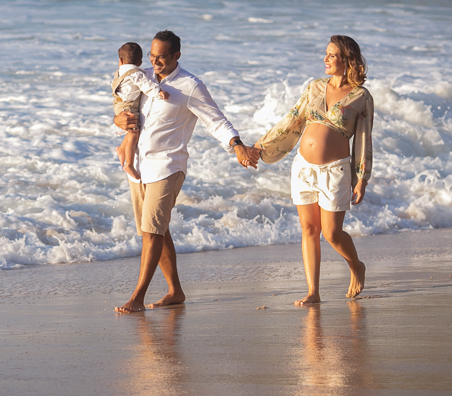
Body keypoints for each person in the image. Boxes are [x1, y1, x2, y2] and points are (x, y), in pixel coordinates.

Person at [113, 30, 258, 313]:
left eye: (162, 58)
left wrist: (237, 145)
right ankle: (175, 291)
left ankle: (138, 297)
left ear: (177, 56)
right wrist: (118, 119)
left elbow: (216, 121)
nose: (155, 63)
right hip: (140, 166)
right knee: (155, 229)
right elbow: (124, 107)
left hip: (168, 166)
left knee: (152, 231)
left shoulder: (191, 86)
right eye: (152, 57)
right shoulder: (142, 77)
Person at [248, 35, 373, 303]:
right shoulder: (315, 87)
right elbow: (293, 119)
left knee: (332, 233)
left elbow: (363, 139)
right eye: (326, 54)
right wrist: (261, 145)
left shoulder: (361, 97)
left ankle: (356, 265)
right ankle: (313, 292)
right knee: (308, 229)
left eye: (331, 55)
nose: (325, 59)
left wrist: (361, 178)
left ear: (346, 60)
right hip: (303, 168)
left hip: (335, 171)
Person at [112, 42, 169, 181]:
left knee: (132, 131)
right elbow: (146, 86)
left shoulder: (120, 72)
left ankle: (121, 148)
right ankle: (129, 164)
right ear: (140, 62)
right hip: (128, 106)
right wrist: (158, 92)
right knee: (133, 133)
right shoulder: (136, 73)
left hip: (119, 104)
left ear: (120, 60)